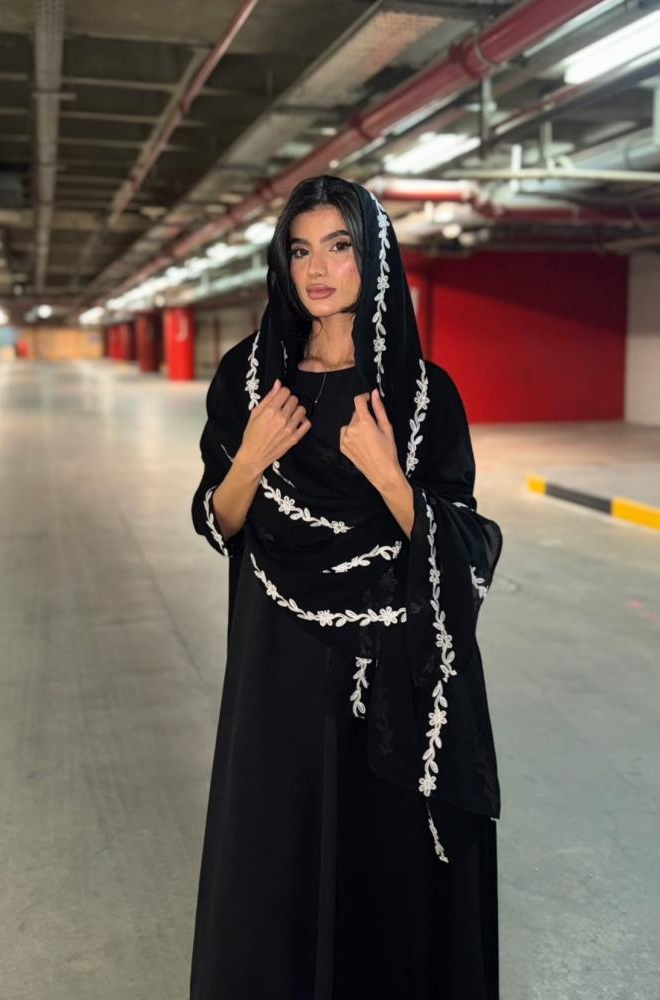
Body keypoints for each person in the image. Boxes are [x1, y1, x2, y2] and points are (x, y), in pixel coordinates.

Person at [189, 174, 504, 999]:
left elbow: (466, 550)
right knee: (278, 858)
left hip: (386, 676)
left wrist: (388, 475)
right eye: (300, 250)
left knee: (378, 872)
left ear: (376, 257)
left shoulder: (424, 395)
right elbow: (218, 522)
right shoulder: (250, 380)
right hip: (278, 671)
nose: (318, 269)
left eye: (339, 246)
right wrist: (250, 459)